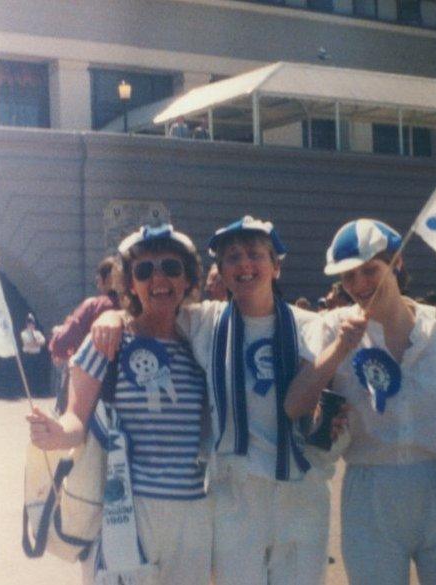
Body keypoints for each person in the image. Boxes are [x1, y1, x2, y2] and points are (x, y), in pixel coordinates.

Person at [92, 216, 333, 585]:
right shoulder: (205, 322)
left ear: (276, 265)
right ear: (220, 272)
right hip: (235, 495)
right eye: (232, 257)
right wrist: (111, 313)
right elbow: (153, 310)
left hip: (299, 493)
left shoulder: (312, 326)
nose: (244, 265)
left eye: (255, 254)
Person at [286, 219, 436, 585]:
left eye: (370, 270)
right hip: (370, 496)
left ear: (396, 264)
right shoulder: (333, 327)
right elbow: (294, 404)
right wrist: (339, 350)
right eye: (348, 277)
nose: (359, 285)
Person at [28, 224, 212, 585]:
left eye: (171, 268)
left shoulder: (200, 343)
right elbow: (75, 419)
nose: (158, 278)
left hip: (194, 516)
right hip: (126, 512)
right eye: (144, 270)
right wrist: (57, 434)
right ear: (130, 284)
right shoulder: (108, 341)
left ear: (189, 279)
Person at [49, 257, 120, 412]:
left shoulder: (94, 305)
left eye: (98, 280)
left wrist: (58, 335)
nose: (97, 284)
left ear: (108, 279)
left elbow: (61, 342)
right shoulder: (136, 308)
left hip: (89, 387)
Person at [20, 313, 46, 394]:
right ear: (27, 324)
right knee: (28, 375)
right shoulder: (23, 333)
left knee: (37, 374)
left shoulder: (38, 333)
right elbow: (28, 343)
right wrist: (36, 343)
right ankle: (28, 392)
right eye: (29, 323)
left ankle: (37, 391)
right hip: (28, 356)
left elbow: (43, 342)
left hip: (36, 356)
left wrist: (35, 343)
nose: (31, 325)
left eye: (32, 323)